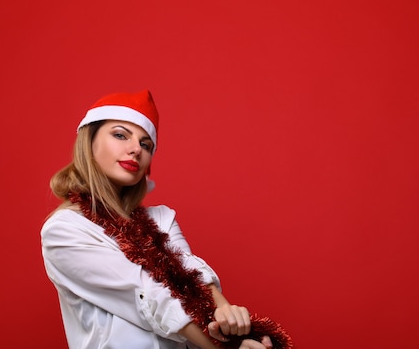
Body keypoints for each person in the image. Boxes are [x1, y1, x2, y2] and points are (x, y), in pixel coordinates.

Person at [40, 90, 291, 349]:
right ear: (88, 142)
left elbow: (190, 277)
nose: (136, 149)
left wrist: (229, 318)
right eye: (120, 134)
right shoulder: (64, 230)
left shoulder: (162, 219)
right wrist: (227, 347)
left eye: (146, 144)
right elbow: (146, 294)